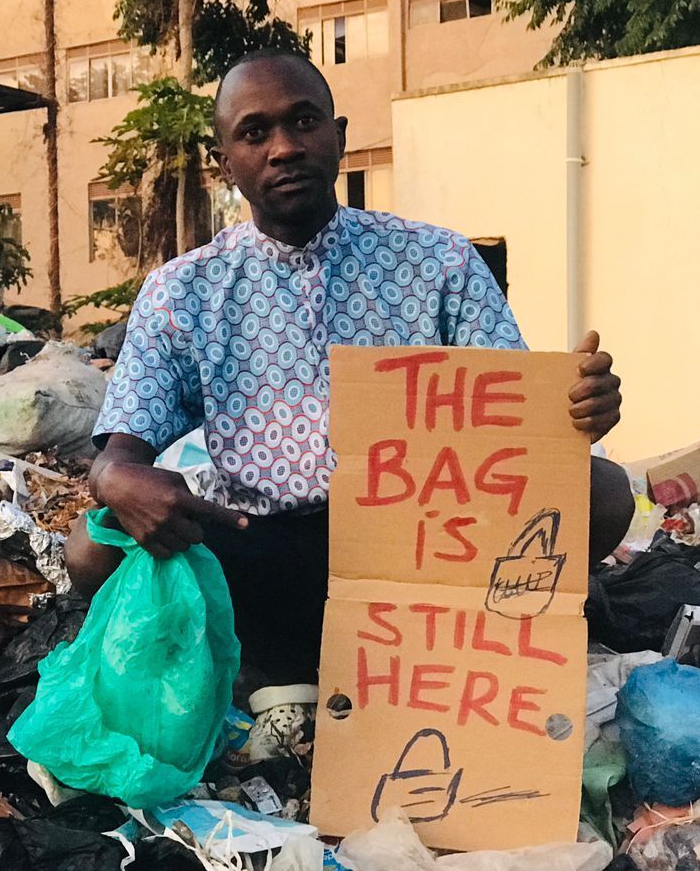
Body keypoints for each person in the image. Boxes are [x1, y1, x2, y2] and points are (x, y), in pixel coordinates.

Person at [66, 49, 633, 691]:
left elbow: (515, 424)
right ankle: (270, 662)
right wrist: (115, 479)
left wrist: (576, 411)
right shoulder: (183, 291)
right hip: (260, 546)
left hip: (425, 550)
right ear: (225, 164)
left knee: (602, 492)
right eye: (255, 133)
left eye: (303, 122)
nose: (283, 148)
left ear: (338, 138)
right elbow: (120, 455)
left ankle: (423, 659)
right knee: (93, 552)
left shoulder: (438, 263)